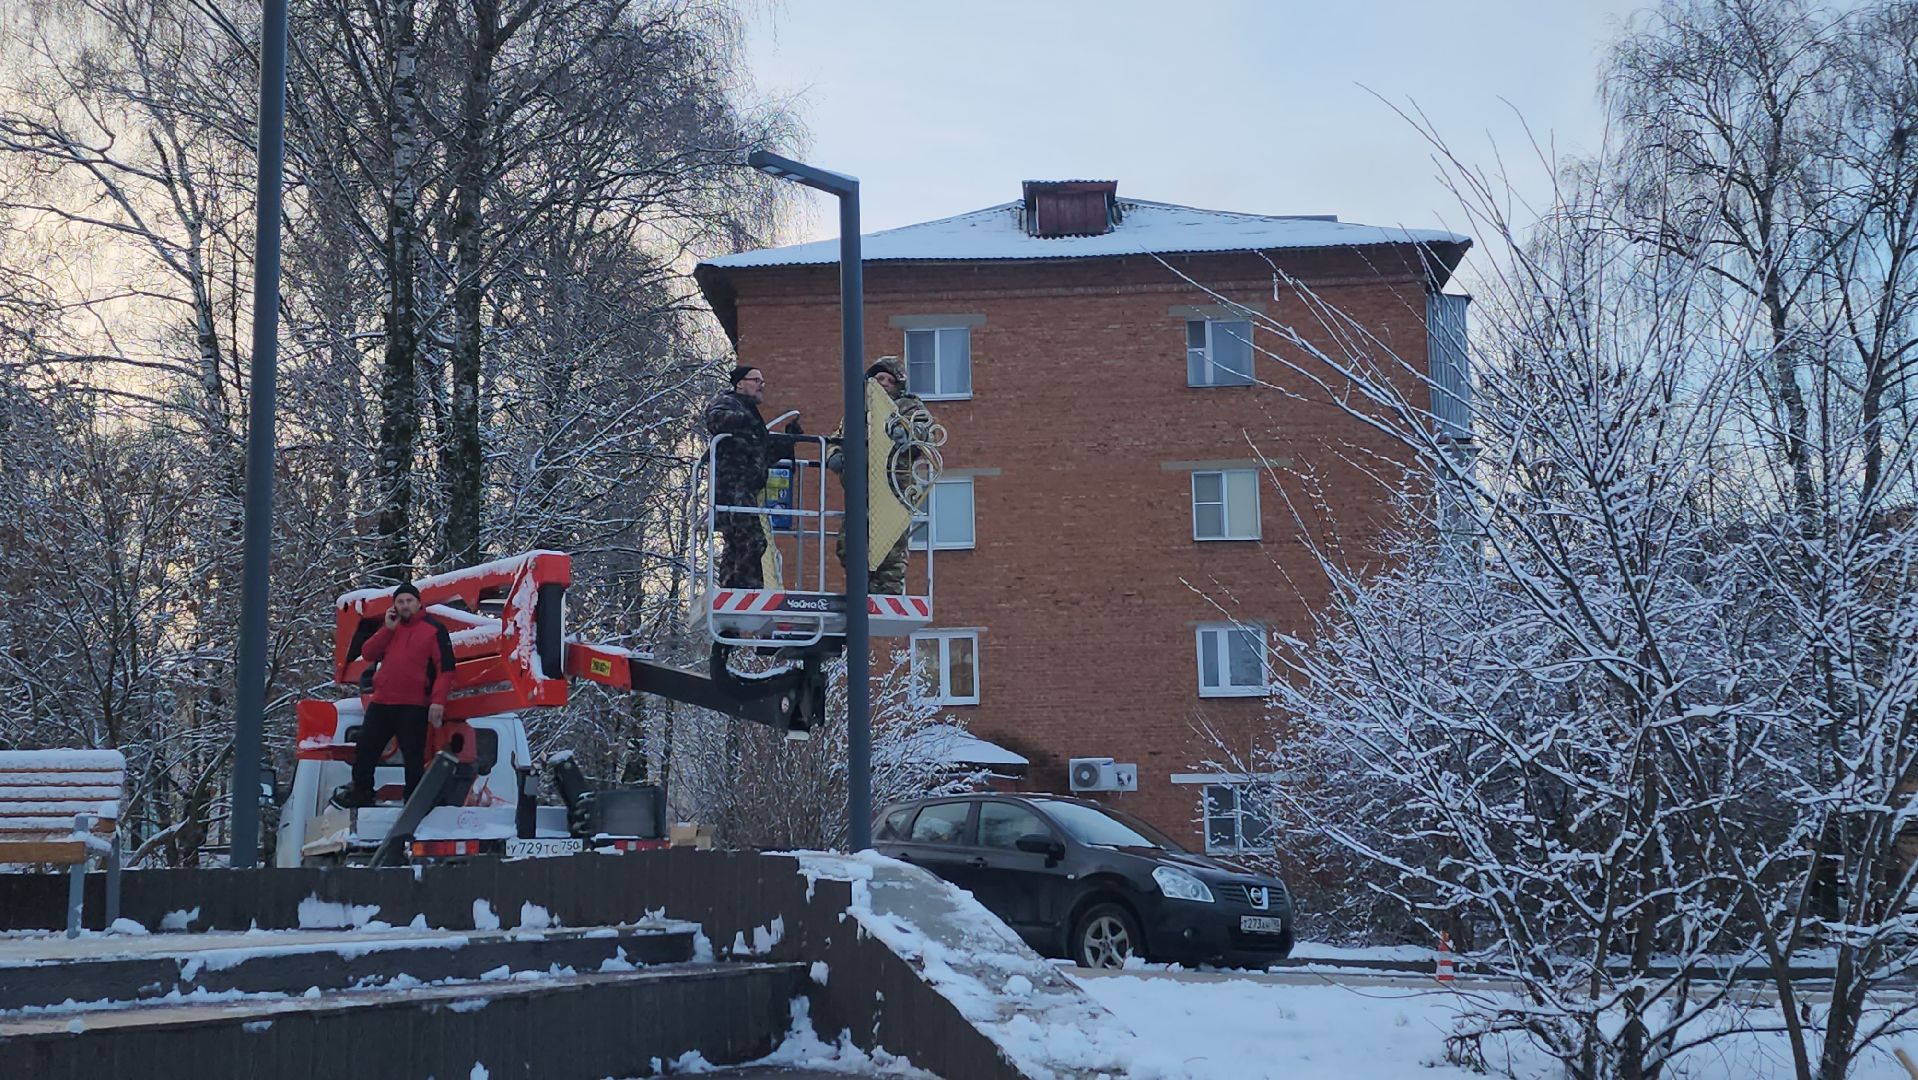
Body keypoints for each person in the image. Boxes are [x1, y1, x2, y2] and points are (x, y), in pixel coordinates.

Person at [330, 582, 457, 809]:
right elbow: (368, 652)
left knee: (413, 757)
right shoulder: (391, 628)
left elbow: (445, 669)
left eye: (409, 601)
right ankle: (362, 795)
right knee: (365, 750)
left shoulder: (434, 629)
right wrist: (387, 629)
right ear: (394, 606)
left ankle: (414, 802)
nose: (405, 605)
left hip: (414, 704)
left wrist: (438, 702)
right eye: (400, 602)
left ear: (418, 603)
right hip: (382, 702)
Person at [829, 356, 935, 595]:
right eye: (879, 379)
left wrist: (905, 432)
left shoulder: (908, 407)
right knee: (850, 545)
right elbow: (837, 437)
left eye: (889, 380)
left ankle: (887, 592)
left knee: (890, 547)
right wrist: (834, 455)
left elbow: (923, 431)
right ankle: (859, 589)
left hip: (893, 488)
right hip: (860, 489)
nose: (884, 384)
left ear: (899, 384)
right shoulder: (858, 410)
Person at [704, 365, 799, 589]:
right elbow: (716, 420)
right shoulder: (727, 402)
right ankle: (747, 590)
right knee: (752, 540)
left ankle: (731, 588)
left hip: (745, 488)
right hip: (732, 488)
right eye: (756, 380)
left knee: (737, 543)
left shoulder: (749, 412)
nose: (761, 386)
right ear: (740, 383)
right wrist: (745, 420)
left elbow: (761, 452)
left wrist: (788, 440)